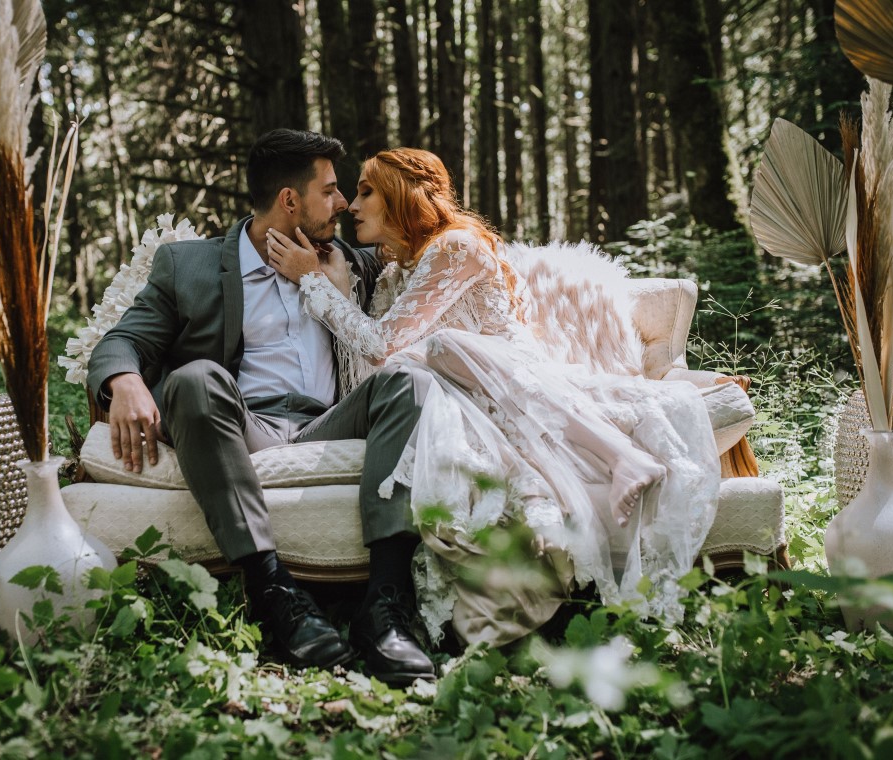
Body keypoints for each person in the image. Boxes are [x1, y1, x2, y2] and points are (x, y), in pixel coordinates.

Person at [266, 147, 720, 646]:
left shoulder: (457, 246)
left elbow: (384, 343)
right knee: (432, 370)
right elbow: (375, 368)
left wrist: (310, 279)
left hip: (523, 388)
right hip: (464, 398)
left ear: (403, 196)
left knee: (443, 347)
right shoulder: (396, 273)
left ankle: (622, 455)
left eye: (367, 192)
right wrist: (339, 287)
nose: (352, 205)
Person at [87, 130, 436, 685]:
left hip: (330, 422)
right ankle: (273, 589)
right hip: (245, 426)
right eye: (330, 190)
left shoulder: (346, 260)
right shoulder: (189, 265)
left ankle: (386, 607)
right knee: (196, 379)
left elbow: (423, 249)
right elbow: (123, 339)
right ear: (289, 202)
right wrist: (124, 379)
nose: (343, 203)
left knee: (409, 382)